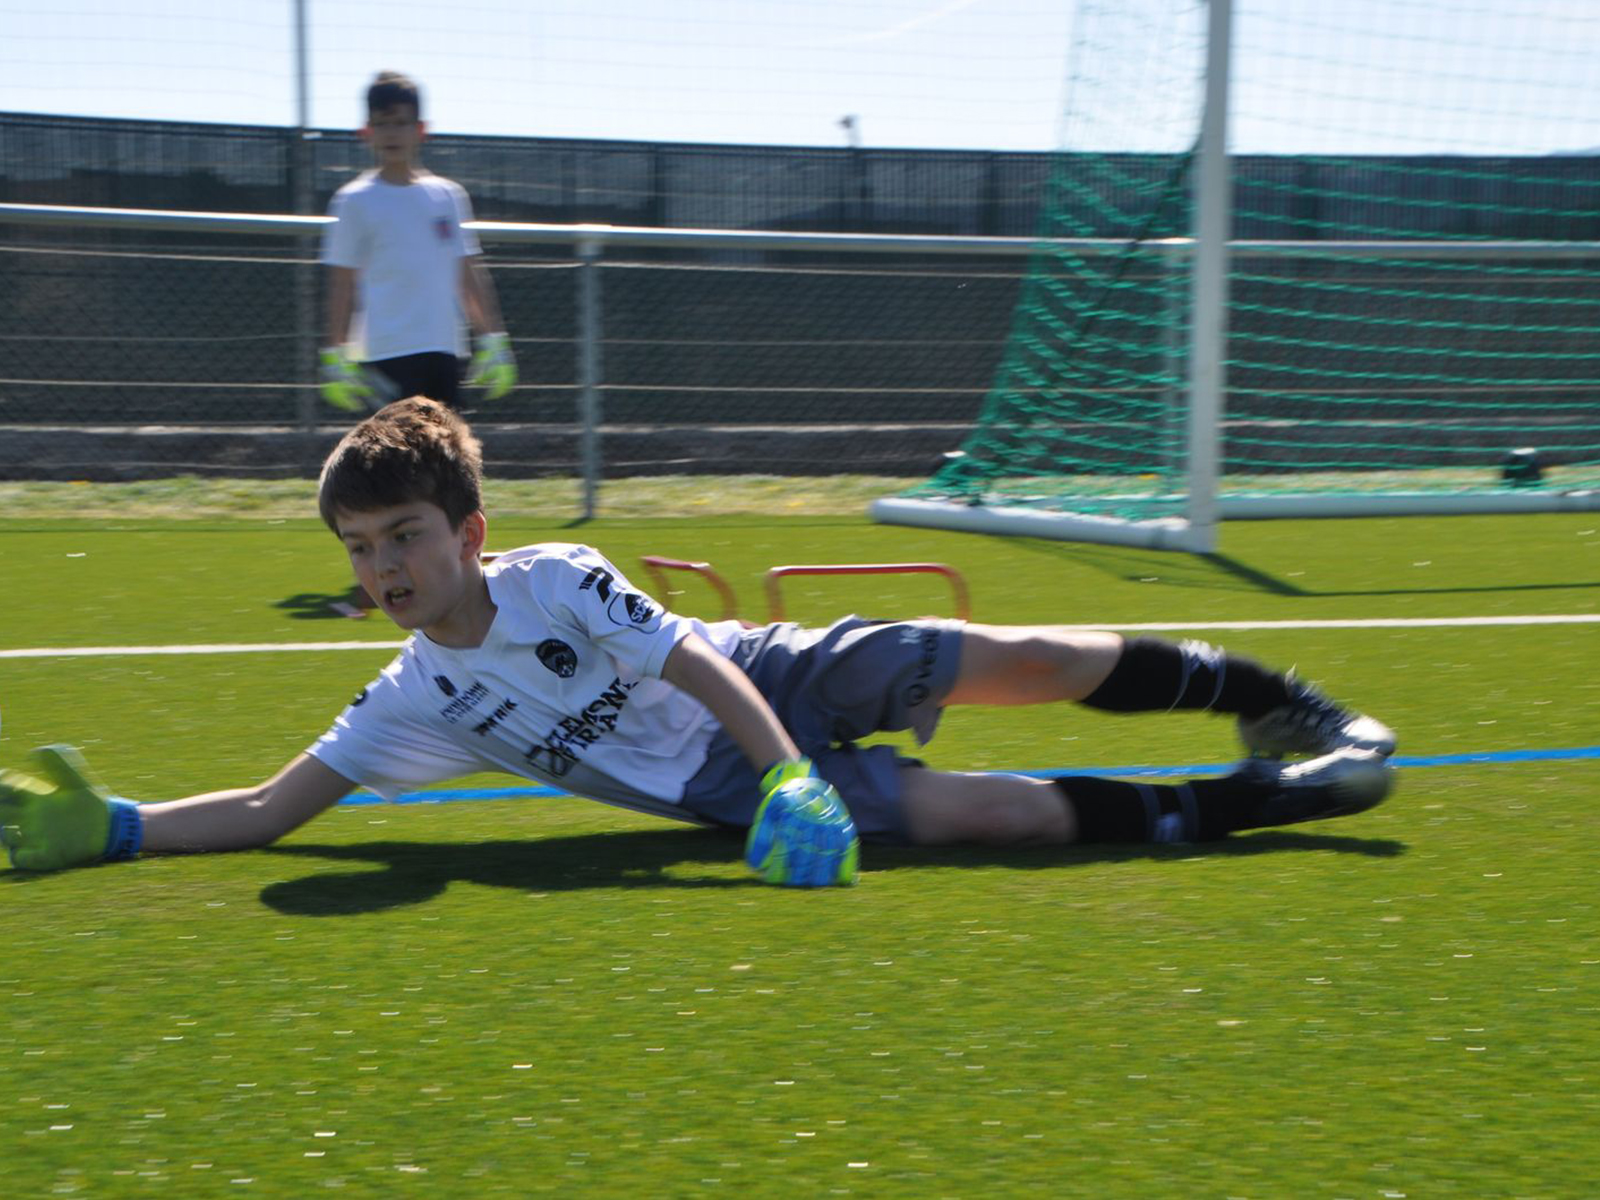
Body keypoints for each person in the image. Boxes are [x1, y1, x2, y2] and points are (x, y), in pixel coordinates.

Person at [0, 399, 1398, 885]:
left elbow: (696, 665)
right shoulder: (411, 698)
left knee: (1017, 654)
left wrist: (787, 768)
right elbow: (268, 807)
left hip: (768, 680)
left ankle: (1275, 699)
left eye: (406, 538)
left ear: (468, 530)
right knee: (986, 819)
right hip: (720, 793)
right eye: (362, 554)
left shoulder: (557, 578)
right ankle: (1274, 800)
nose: (386, 571)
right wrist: (118, 828)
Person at [318, 70, 516, 414]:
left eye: (401, 122)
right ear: (366, 132)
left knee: (447, 463)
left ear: (421, 130)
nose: (392, 132)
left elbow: (467, 273)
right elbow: (341, 284)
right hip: (384, 354)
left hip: (443, 351)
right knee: (394, 465)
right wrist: (334, 353)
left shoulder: (448, 196)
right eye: (382, 123)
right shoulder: (354, 200)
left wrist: (494, 339)